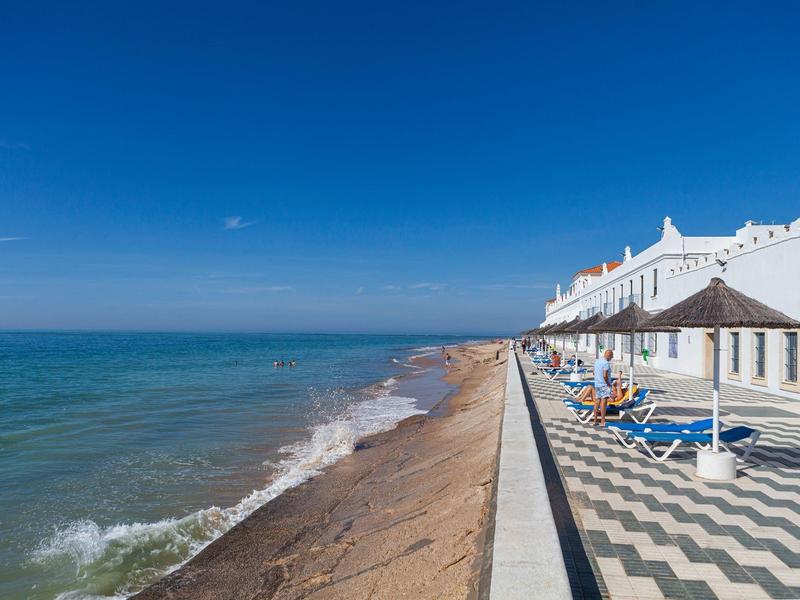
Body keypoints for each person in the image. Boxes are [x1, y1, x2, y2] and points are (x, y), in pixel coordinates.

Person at [592, 350, 626, 426]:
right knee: (603, 403)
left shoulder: (597, 361)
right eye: (612, 355)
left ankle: (595, 420)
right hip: (604, 385)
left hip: (597, 384)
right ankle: (602, 421)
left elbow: (593, 372)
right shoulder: (606, 363)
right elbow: (605, 375)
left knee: (597, 402)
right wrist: (608, 384)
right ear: (608, 355)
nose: (612, 357)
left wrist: (598, 378)